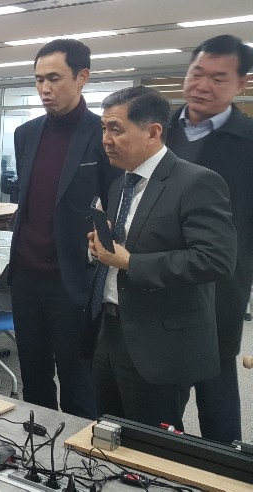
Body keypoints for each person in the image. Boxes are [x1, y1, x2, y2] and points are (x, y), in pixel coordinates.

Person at [89, 85, 235, 431]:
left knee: (153, 444)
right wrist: (100, 250)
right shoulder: (120, 184)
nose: (106, 139)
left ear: (153, 133)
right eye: (104, 128)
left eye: (116, 129)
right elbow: (125, 247)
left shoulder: (196, 182)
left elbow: (215, 259)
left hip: (159, 343)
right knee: (109, 433)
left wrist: (130, 263)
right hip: (110, 332)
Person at [9, 39, 122, 419]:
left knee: (78, 384)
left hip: (74, 280)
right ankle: (36, 449)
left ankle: (78, 452)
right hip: (26, 277)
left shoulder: (103, 135)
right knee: (34, 377)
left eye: (54, 78)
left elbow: (114, 207)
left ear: (82, 77)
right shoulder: (25, 134)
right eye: (39, 79)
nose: (44, 88)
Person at [166, 34, 253, 443]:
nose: (202, 85)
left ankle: (224, 469)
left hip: (220, 289)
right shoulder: (157, 131)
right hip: (157, 283)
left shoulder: (249, 142)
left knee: (216, 398)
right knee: (159, 401)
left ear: (242, 84)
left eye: (218, 78)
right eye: (197, 73)